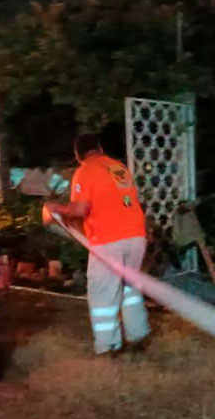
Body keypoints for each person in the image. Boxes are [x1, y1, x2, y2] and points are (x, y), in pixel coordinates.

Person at [46, 134, 149, 356]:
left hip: (109, 239)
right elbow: (125, 200)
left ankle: (108, 347)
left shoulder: (85, 171)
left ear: (77, 155)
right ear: (100, 148)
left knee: (103, 293)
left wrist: (56, 208)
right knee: (130, 289)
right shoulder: (118, 167)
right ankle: (138, 336)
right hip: (136, 235)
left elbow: (80, 209)